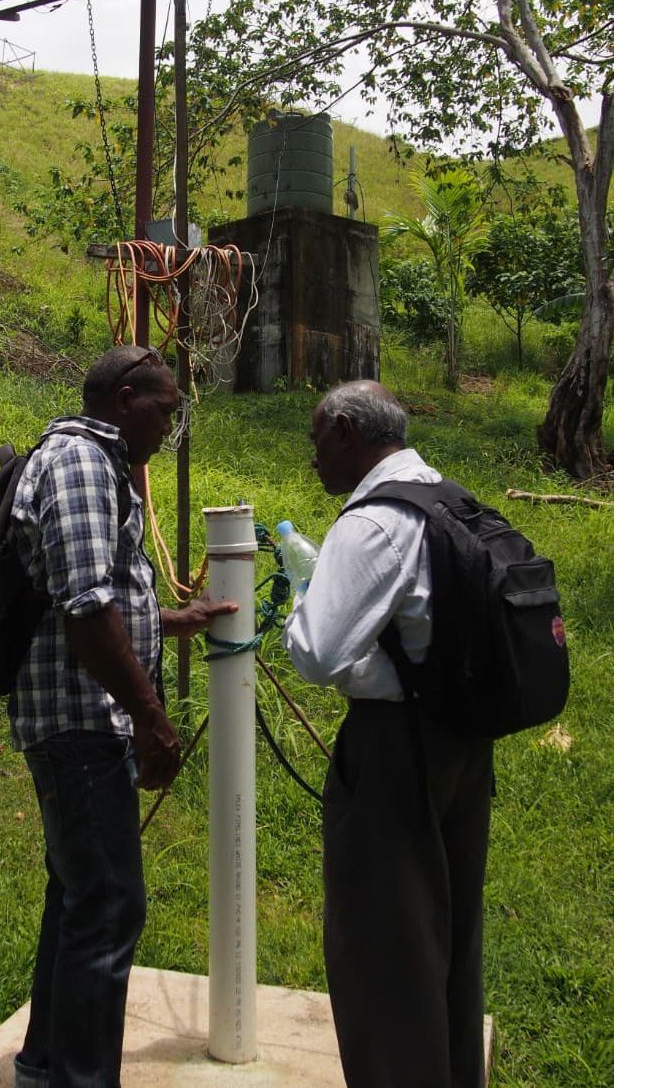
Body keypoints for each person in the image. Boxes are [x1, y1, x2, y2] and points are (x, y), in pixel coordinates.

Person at [8, 344, 237, 1088]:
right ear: (128, 397)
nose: (171, 425)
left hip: (82, 714)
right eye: (167, 409)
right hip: (79, 719)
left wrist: (176, 620)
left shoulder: (105, 467)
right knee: (109, 904)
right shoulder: (78, 462)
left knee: (80, 896)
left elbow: (104, 596)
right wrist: (151, 717)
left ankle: (45, 1067)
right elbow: (84, 609)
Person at [282, 380, 493, 1088]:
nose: (313, 460)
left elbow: (318, 651)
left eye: (316, 441)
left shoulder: (372, 522)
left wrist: (304, 596)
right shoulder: (448, 497)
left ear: (345, 430)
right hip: (463, 742)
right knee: (450, 937)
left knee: (383, 950)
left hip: (393, 750)